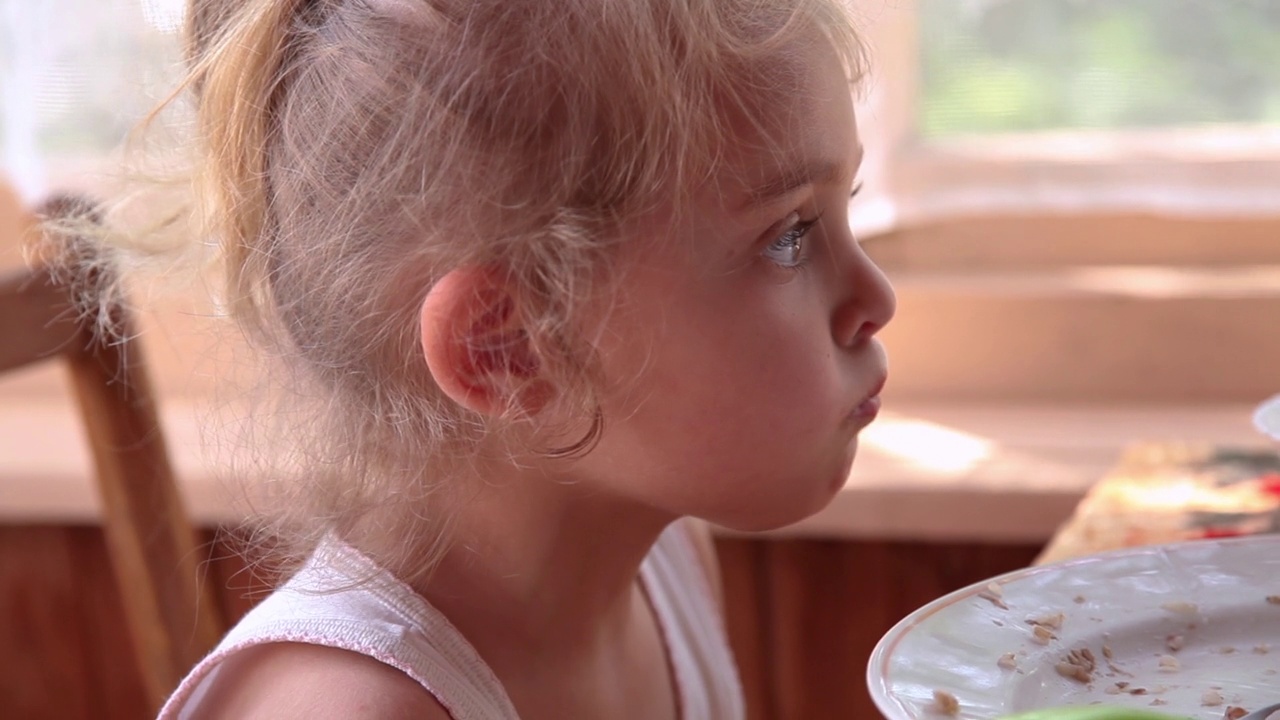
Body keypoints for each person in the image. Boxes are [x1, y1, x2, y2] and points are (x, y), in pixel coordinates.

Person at [140, 0, 895, 717]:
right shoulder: (356, 709)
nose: (877, 297)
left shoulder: (667, 568)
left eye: (845, 201)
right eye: (789, 235)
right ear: (508, 349)